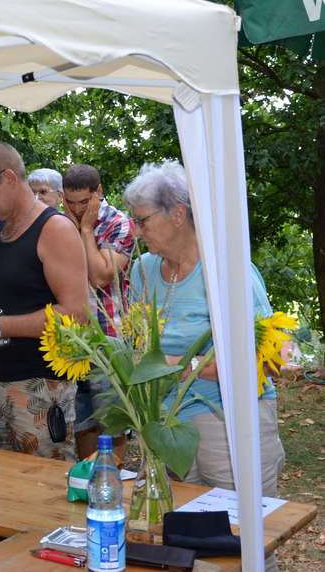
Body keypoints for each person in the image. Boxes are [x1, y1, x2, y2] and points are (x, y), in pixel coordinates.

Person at [124, 160, 284, 571]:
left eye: (143, 220)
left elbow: (264, 360)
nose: (136, 231)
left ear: (178, 214)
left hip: (226, 420)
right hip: (165, 424)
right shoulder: (143, 271)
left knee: (242, 536)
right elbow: (138, 344)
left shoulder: (226, 272)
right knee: (181, 536)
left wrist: (179, 365)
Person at [0, 141, 88, 463]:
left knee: (41, 486)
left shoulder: (55, 229)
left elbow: (76, 314)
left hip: (38, 388)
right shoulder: (1, 228)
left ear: (8, 178)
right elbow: (3, 294)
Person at [62, 164, 134, 459]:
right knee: (81, 421)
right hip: (73, 339)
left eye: (83, 202)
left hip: (110, 338)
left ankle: (112, 478)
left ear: (98, 192)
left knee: (112, 422)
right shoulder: (59, 223)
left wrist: (85, 230)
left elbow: (100, 275)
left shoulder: (120, 223)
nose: (77, 209)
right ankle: (86, 477)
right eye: (70, 202)